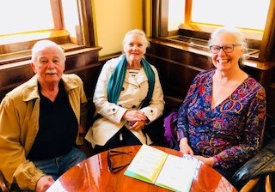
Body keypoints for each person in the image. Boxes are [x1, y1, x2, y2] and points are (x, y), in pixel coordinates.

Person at [176, 27, 266, 181]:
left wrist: (212, 161)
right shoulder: (201, 79)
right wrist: (183, 143)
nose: (221, 54)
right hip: (186, 155)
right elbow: (182, 113)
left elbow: (251, 145)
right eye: (216, 48)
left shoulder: (255, 92)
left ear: (241, 51)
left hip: (221, 167)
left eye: (228, 47)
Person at [0, 40, 88, 192]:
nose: (51, 66)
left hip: (70, 155)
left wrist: (82, 126)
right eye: (43, 61)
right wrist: (35, 178)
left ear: (63, 65)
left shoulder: (75, 84)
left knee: (90, 185)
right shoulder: (13, 101)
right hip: (35, 163)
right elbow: (6, 146)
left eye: (56, 61)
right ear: (33, 66)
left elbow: (83, 106)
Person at [85, 29, 165, 153]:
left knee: (134, 153)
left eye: (140, 45)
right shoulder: (110, 67)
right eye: (131, 44)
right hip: (109, 119)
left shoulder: (151, 71)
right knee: (110, 151)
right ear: (124, 46)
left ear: (145, 49)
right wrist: (124, 113)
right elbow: (99, 100)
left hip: (136, 123)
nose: (135, 48)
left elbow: (158, 103)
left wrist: (143, 117)